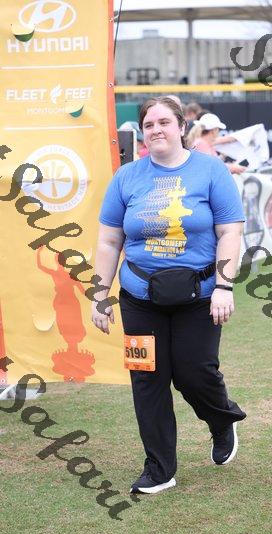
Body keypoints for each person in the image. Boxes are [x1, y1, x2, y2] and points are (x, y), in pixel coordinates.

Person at [92, 96, 247, 495]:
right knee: (147, 380)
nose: (156, 130)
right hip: (139, 298)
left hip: (200, 297)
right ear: (142, 132)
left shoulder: (211, 171)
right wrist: (100, 294)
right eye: (149, 124)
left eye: (164, 122)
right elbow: (109, 241)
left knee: (195, 373)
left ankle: (221, 420)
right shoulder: (126, 178)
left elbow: (229, 232)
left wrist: (224, 286)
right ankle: (160, 469)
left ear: (181, 126)